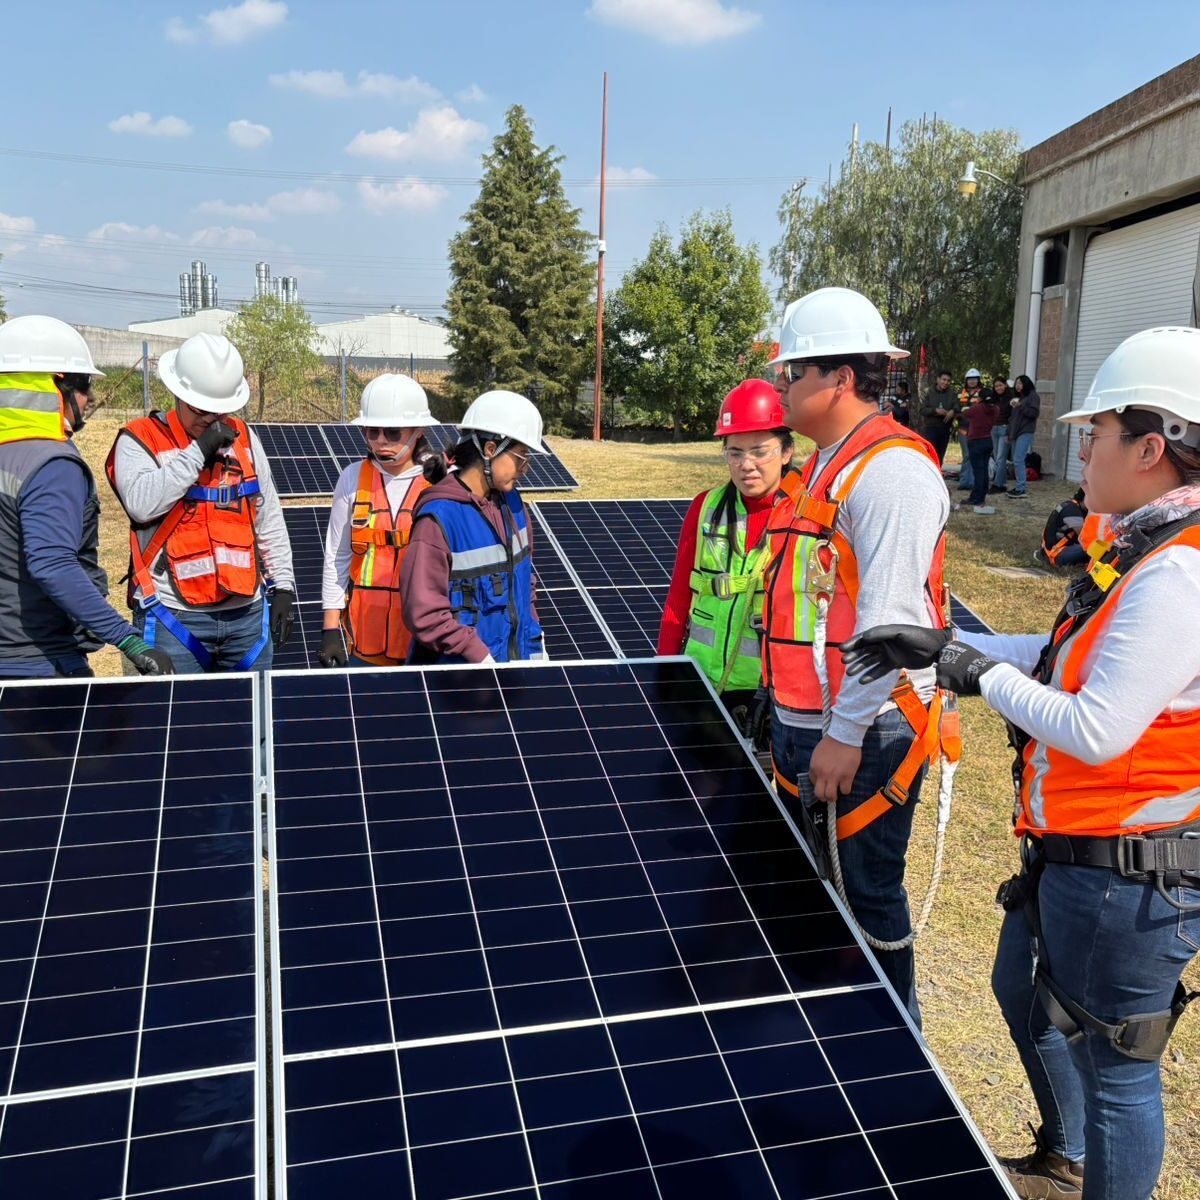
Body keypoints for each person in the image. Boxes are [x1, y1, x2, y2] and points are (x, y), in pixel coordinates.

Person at [840, 326, 1200, 1200]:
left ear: (1151, 448)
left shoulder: (1179, 575)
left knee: (1118, 1073)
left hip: (1130, 877)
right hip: (1078, 853)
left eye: (1098, 432)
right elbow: (1069, 653)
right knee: (1022, 993)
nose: (1081, 445)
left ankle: (1089, 1164)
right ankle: (1066, 1156)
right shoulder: (1145, 549)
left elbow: (1098, 725)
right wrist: (942, 644)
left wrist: (978, 674)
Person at [761, 286, 952, 1023]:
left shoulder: (892, 474)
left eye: (795, 372)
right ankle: (833, 1044)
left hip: (866, 734)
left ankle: (892, 1060)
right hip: (809, 721)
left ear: (841, 379)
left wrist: (842, 734)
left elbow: (892, 624)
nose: (784, 385)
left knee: (867, 900)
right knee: (817, 899)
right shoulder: (827, 463)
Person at [106, 332, 295, 674]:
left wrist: (283, 585)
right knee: (177, 723)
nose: (212, 419)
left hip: (247, 615)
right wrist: (199, 450)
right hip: (173, 618)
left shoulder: (244, 437)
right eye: (201, 410)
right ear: (177, 393)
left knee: (251, 723)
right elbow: (141, 504)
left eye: (220, 410)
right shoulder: (139, 439)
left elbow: (268, 518)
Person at [0, 316, 173, 679]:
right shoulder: (50, 464)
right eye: (84, 384)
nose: (91, 396)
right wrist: (129, 641)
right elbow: (53, 565)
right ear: (54, 386)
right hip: (35, 663)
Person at [658, 380, 794, 726]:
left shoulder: (805, 514)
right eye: (735, 452)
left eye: (760, 451)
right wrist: (664, 668)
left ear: (787, 452)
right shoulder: (706, 507)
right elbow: (678, 596)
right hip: (700, 678)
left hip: (768, 691)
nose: (746, 464)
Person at [401, 390, 546, 664]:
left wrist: (534, 643)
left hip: (511, 670)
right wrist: (478, 656)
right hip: (459, 683)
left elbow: (525, 585)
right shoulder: (439, 518)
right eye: (520, 457)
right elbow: (424, 612)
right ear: (490, 450)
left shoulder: (514, 505)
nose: (524, 469)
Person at [317, 374, 438, 668]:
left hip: (423, 643)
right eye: (372, 431)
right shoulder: (352, 478)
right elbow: (337, 555)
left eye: (393, 432)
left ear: (418, 430)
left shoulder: (438, 481)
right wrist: (330, 628)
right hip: (364, 642)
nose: (381, 440)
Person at [962, 382, 999, 513]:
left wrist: (975, 403)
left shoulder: (977, 408)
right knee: (983, 471)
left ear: (981, 398)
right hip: (987, 440)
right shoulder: (995, 409)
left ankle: (976, 498)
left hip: (975, 441)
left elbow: (965, 414)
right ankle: (982, 495)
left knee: (978, 471)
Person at [1007, 374, 1042, 498]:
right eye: (1016, 383)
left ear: (1026, 384)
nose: (1017, 386)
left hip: (1025, 431)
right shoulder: (1021, 397)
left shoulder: (1033, 396)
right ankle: (1019, 486)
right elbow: (1014, 418)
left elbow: (1034, 413)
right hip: (1016, 432)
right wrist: (1010, 433)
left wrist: (1020, 406)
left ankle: (1021, 488)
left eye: (1020, 383)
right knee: (1016, 460)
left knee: (1018, 459)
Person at [1038, 488, 1090, 567]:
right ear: (1086, 497)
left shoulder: (1070, 505)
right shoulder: (1072, 511)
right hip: (1057, 554)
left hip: (1051, 550)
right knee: (1093, 547)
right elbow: (1085, 537)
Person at [956, 367, 985, 491]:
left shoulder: (983, 393)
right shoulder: (960, 393)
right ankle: (964, 481)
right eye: (970, 379)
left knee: (975, 455)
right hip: (963, 428)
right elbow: (956, 409)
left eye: (974, 379)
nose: (972, 382)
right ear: (966, 381)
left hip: (977, 429)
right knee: (966, 455)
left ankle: (973, 481)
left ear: (978, 380)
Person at [920, 369, 956, 464]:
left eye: (948, 380)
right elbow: (922, 409)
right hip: (931, 428)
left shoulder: (952, 393)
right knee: (930, 455)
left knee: (940, 455)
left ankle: (938, 475)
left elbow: (958, 406)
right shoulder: (928, 392)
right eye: (943, 379)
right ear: (938, 379)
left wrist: (953, 411)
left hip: (945, 428)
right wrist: (935, 410)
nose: (945, 382)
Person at [989, 375, 1014, 494]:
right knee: (996, 457)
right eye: (996, 386)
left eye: (1001, 385)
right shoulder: (993, 398)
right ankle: (1002, 482)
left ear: (1005, 385)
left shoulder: (1010, 398)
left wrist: (1010, 431)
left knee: (1000, 457)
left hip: (1004, 428)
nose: (998, 388)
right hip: (993, 428)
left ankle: (997, 484)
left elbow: (1013, 415)